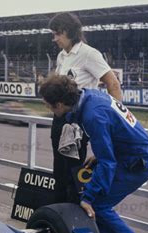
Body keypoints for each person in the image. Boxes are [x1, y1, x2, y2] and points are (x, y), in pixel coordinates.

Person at [39, 74, 148, 233]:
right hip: (132, 154)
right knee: (94, 204)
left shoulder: (93, 115)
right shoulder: (89, 96)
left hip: (138, 162)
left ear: (60, 104)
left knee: (96, 206)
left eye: (50, 107)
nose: (51, 111)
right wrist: (99, 156)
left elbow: (108, 163)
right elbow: (115, 135)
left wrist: (89, 198)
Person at [48, 12, 122, 203]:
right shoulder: (61, 56)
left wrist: (116, 119)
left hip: (78, 124)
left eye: (57, 34)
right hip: (59, 120)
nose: (54, 38)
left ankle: (73, 222)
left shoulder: (89, 54)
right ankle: (57, 219)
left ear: (67, 32)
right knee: (59, 175)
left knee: (73, 177)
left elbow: (113, 84)